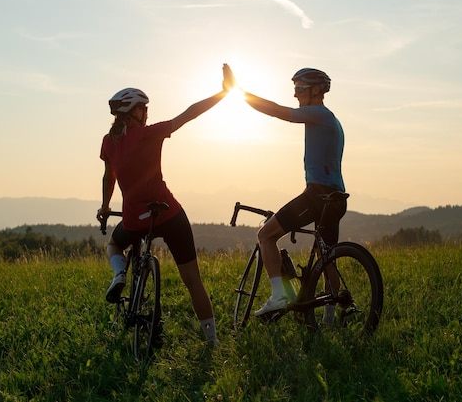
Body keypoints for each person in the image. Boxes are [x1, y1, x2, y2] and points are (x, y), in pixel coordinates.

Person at [96, 64, 235, 345]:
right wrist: (223, 93)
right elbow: (189, 114)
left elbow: (108, 177)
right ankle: (212, 341)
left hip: (136, 218)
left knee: (114, 245)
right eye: (144, 109)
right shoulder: (149, 134)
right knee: (193, 281)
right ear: (135, 112)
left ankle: (120, 272)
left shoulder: (109, 142)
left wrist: (105, 206)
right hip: (169, 214)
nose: (147, 114)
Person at [226, 66, 347, 321]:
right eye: (294, 89)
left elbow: (280, 112)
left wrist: (241, 94)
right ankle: (328, 320)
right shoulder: (332, 120)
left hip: (317, 196)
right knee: (327, 261)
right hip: (335, 198)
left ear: (316, 91)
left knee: (265, 235)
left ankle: (279, 295)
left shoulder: (318, 115)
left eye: (300, 89)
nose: (296, 95)